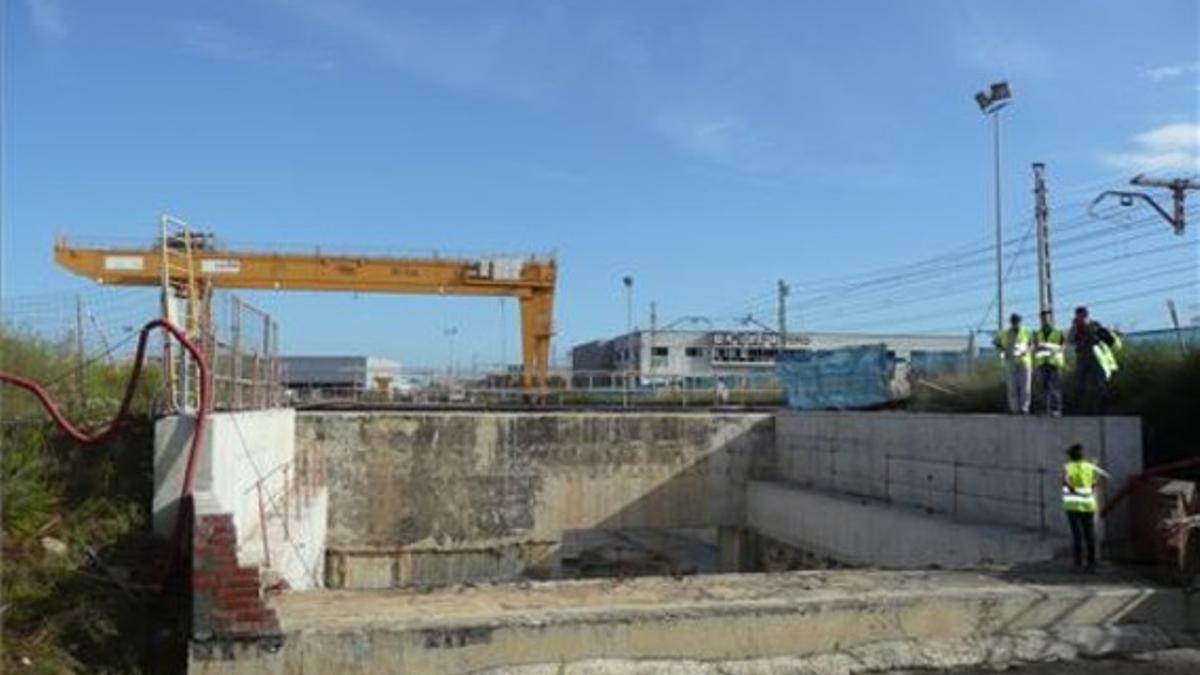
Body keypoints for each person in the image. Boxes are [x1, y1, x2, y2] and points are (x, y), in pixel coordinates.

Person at [1062, 443, 1110, 573]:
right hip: (1088, 504)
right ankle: (1091, 563)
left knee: (1077, 535)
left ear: (1071, 456)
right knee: (1090, 535)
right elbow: (1097, 481)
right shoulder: (1090, 467)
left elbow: (1066, 481)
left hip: (1072, 505)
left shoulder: (1069, 467)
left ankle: (1077, 563)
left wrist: (1072, 489)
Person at [1066, 306, 1119, 413]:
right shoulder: (1075, 328)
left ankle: (1103, 408)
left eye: (1082, 317)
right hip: (1082, 356)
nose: (1080, 319)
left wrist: (1101, 335)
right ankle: (1080, 408)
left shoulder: (1095, 325)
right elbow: (1070, 340)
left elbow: (1106, 340)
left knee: (1101, 383)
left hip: (1097, 357)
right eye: (1078, 316)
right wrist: (1074, 327)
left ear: (1086, 316)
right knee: (1079, 384)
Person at [993, 313, 1032, 414]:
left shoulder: (1026, 332)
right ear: (1011, 322)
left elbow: (1031, 344)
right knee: (1012, 387)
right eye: (1013, 322)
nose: (1015, 323)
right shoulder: (1005, 333)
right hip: (1011, 361)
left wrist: (1026, 350)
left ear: (1020, 322)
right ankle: (1014, 408)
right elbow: (996, 343)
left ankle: (1024, 408)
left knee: (1025, 387)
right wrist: (1003, 352)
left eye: (1017, 321)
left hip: (1024, 361)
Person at [1032, 310, 1065, 416]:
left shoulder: (1058, 333)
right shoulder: (1037, 334)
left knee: (1055, 387)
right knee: (1043, 388)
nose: (1045, 320)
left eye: (1047, 318)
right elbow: (1034, 348)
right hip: (1042, 363)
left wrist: (1050, 346)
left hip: (1054, 363)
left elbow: (1063, 347)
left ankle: (1056, 409)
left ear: (1051, 319)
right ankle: (1044, 409)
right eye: (1043, 319)